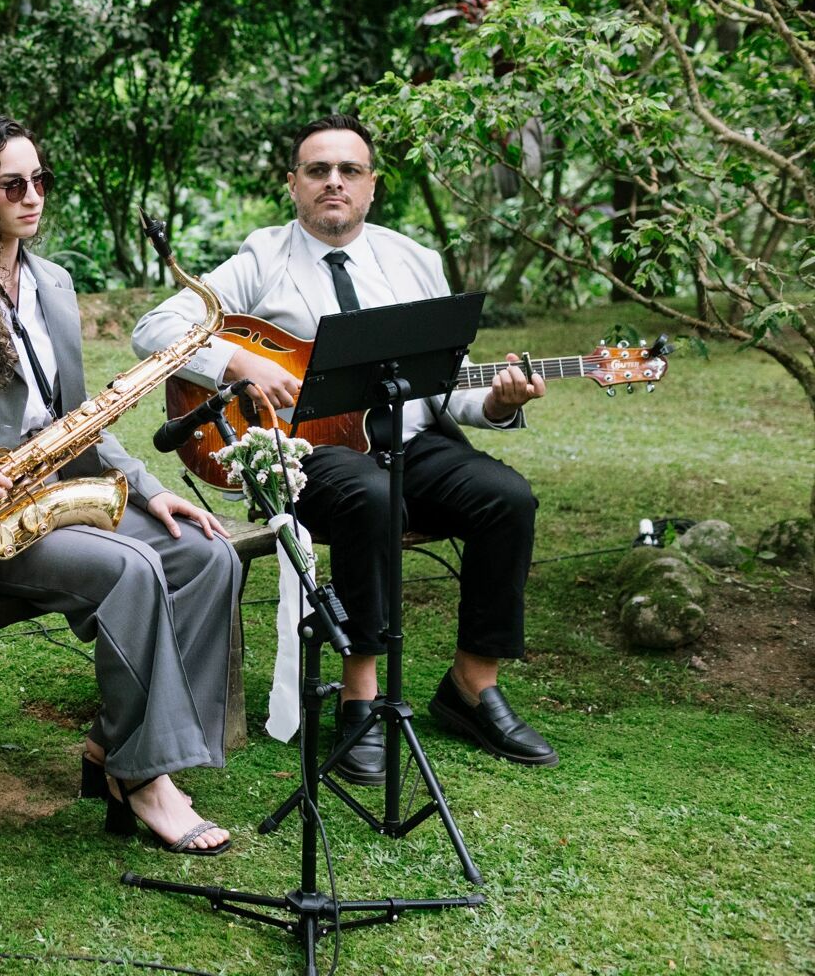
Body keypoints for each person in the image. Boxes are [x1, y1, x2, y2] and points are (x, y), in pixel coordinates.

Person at [132, 113, 557, 784]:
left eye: (349, 171)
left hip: (412, 441)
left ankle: (473, 686)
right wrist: (238, 367)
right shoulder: (262, 258)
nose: (334, 182)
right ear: (294, 185)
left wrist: (499, 402)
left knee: (508, 499)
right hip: (310, 457)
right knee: (369, 494)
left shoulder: (414, 261)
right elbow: (155, 329)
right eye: (318, 170)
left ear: (371, 187)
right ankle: (360, 698)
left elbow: (447, 387)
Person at [0, 113, 241, 855]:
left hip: (58, 487)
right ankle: (147, 776)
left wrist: (148, 486)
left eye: (41, 180)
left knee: (205, 555)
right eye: (12, 184)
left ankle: (115, 744)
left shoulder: (54, 283)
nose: (32, 197)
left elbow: (77, 418)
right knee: (129, 570)